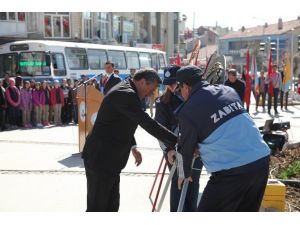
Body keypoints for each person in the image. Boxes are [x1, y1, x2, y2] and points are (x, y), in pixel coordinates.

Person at [167, 65, 270, 212]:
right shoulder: (229, 91)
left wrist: (184, 174)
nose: (180, 93)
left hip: (231, 172)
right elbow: (229, 127)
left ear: (186, 87)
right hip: (261, 161)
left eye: (179, 88)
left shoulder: (188, 110)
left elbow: (186, 147)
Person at [82, 68, 177, 212]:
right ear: (143, 82)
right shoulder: (125, 94)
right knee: (98, 206)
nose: (152, 93)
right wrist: (177, 141)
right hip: (100, 158)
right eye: (152, 89)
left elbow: (121, 121)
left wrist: (132, 147)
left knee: (111, 205)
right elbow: (148, 123)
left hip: (109, 159)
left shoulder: (128, 90)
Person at [154, 65, 202, 212]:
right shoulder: (162, 102)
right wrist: (168, 150)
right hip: (174, 150)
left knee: (193, 183)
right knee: (178, 183)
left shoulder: (196, 98)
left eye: (174, 83)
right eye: (168, 83)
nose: (171, 86)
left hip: (196, 149)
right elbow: (159, 130)